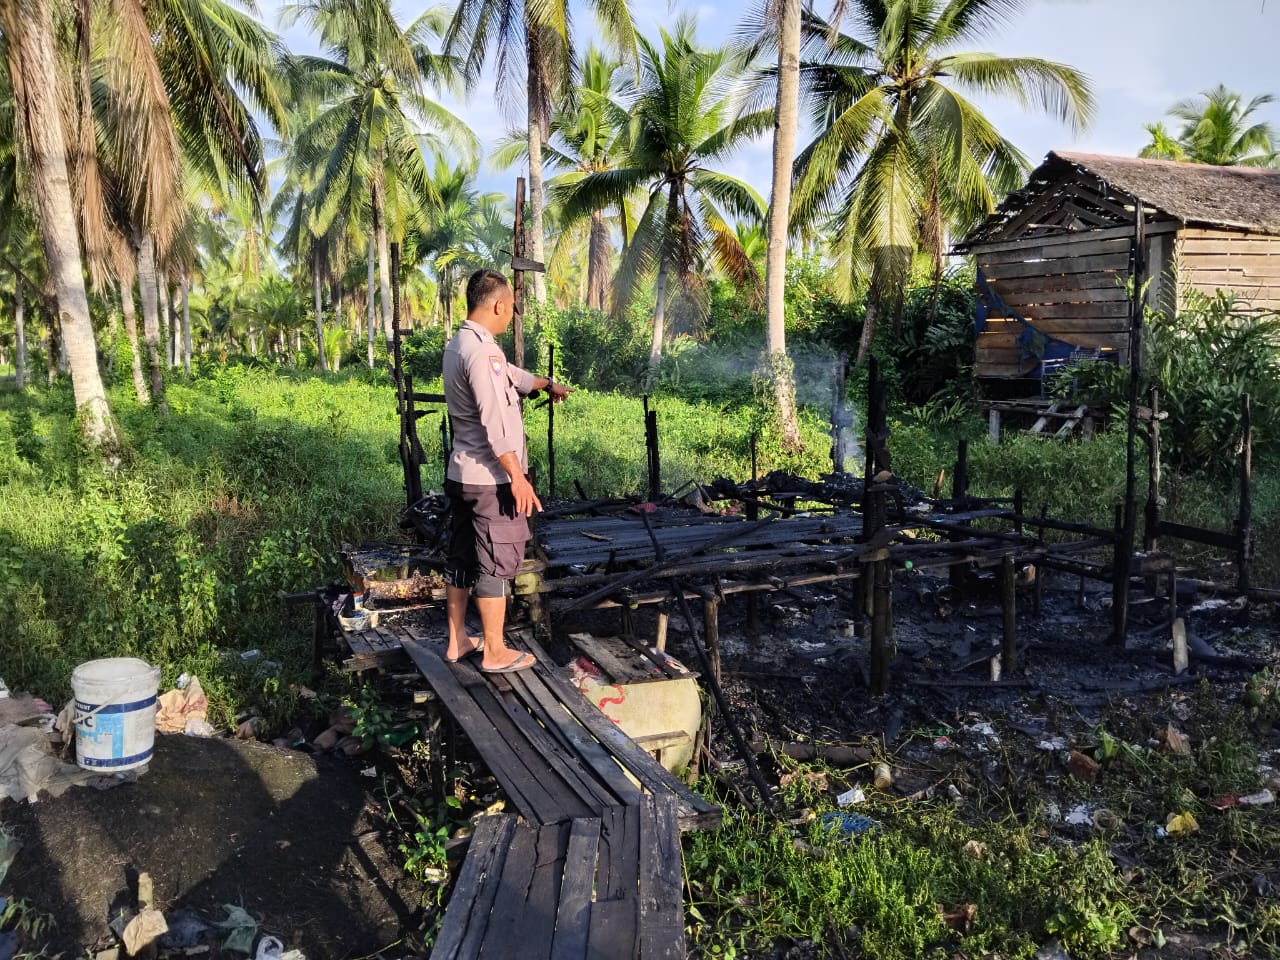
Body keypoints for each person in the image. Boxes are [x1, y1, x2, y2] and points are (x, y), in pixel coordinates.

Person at [441, 269, 572, 673]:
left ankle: (458, 639)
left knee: (461, 556)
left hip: (463, 474)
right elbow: (496, 418)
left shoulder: (461, 343)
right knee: (496, 562)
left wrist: (546, 384)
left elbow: (514, 377)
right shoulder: (483, 352)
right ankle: (495, 650)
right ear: (498, 305)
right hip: (490, 479)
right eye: (511, 309)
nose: (511, 315)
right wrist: (517, 477)